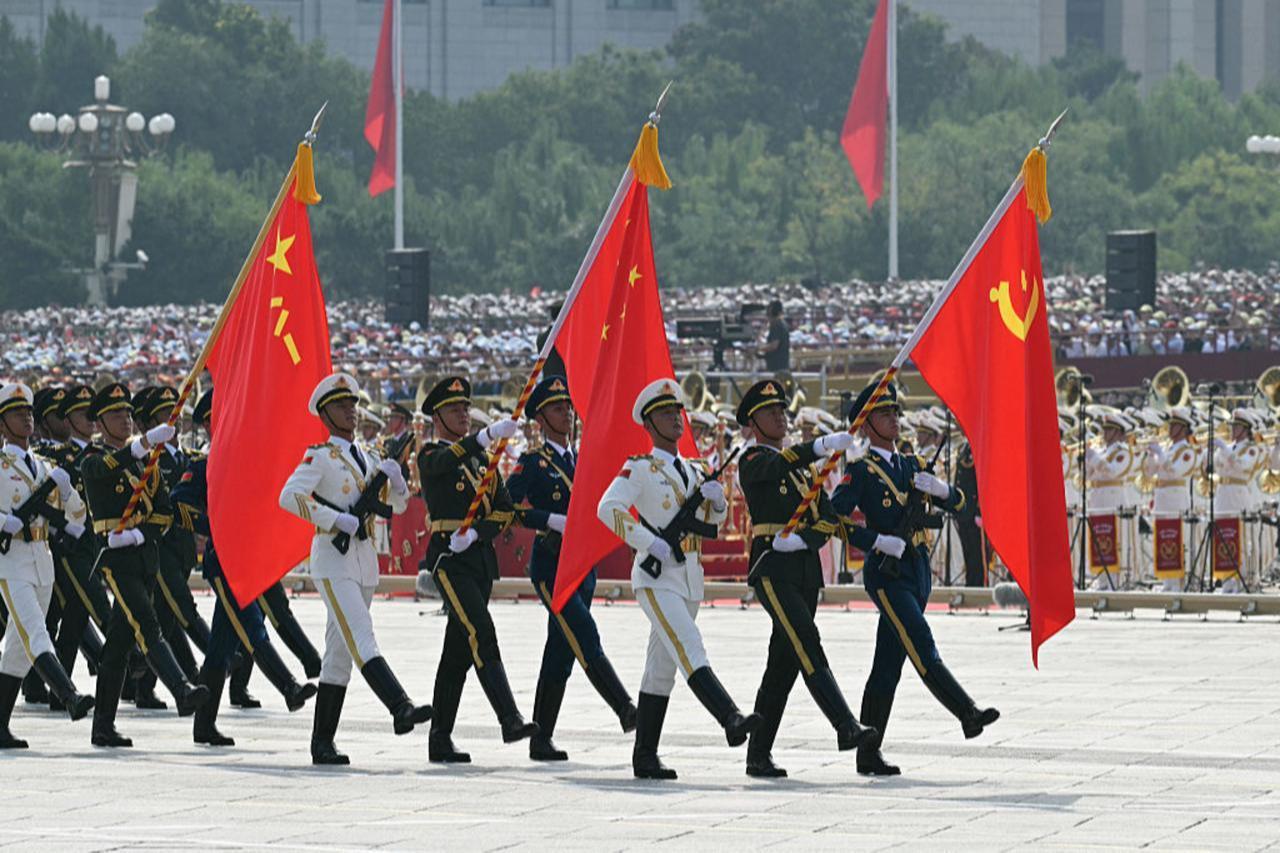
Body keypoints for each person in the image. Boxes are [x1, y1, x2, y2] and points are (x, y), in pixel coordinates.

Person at [597, 378, 760, 780]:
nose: (676, 419)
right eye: (666, 414)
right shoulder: (640, 467)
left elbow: (712, 522)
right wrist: (648, 542)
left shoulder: (694, 469)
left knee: (661, 669)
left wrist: (717, 499)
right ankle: (730, 717)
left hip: (688, 576)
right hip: (655, 579)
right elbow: (608, 508)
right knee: (690, 645)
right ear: (649, 424)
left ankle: (645, 756)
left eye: (677, 413)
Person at [832, 382, 997, 777]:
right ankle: (966, 711)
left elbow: (958, 503)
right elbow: (833, 518)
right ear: (867, 424)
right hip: (887, 573)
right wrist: (875, 540)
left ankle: (868, 752)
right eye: (885, 414)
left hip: (918, 568)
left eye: (895, 412)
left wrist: (941, 488)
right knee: (921, 642)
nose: (894, 418)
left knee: (887, 666)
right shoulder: (860, 471)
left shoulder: (911, 465)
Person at [279, 373, 432, 765]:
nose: (352, 409)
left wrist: (397, 482)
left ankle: (322, 743)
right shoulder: (320, 456)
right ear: (326, 413)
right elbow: (288, 496)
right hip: (332, 559)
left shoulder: (367, 455)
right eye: (343, 404)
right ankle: (400, 706)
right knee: (363, 636)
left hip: (362, 561)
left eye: (353, 403)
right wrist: (333, 518)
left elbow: (396, 508)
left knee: (338, 656)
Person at [733, 379, 876, 779]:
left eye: (782, 410)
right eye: (771, 412)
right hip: (772, 570)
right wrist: (817, 446)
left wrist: (802, 540)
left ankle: (758, 755)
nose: (780, 416)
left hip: (802, 568)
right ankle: (845, 725)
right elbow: (776, 466)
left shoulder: (807, 474)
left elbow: (828, 516)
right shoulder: (752, 459)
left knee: (783, 663)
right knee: (806, 641)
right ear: (753, 422)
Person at [173, 390, 318, 747]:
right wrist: (216, 526)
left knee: (222, 647)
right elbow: (178, 505)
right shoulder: (203, 466)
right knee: (250, 625)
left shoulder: (249, 462)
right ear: (209, 423)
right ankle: (289, 686)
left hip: (252, 558)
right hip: (226, 562)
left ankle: (204, 725)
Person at [507, 376, 636, 762]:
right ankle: (626, 708)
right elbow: (508, 508)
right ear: (541, 418)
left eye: (567, 408)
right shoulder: (532, 462)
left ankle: (540, 737)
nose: (566, 414)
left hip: (584, 566)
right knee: (583, 632)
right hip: (551, 566)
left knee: (560, 652)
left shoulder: (583, 459)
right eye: (558, 409)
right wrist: (550, 520)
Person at [81, 382, 209, 748]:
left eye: (126, 413)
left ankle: (103, 726)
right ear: (101, 422)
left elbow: (164, 510)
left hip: (142, 555)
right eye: (115, 414)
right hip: (114, 560)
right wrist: (141, 445)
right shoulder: (93, 456)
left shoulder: (146, 462)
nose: (123, 419)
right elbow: (100, 471)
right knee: (147, 623)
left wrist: (139, 535)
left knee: (119, 645)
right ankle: (181, 687)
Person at [416, 376, 536, 764]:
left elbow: (505, 510)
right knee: (481, 630)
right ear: (437, 416)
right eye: (455, 409)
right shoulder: (431, 454)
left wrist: (479, 532)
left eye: (466, 408)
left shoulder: (484, 462)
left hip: (479, 558)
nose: (464, 415)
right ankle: (509, 718)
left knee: (458, 651)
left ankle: (439, 736)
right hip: (449, 560)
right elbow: (441, 464)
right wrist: (483, 439)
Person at [0, 383, 96, 748]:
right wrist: (2, 522)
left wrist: (67, 489)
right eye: (15, 413)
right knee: (36, 633)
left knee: (17, 649)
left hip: (43, 560)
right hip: (10, 562)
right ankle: (69, 695)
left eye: (27, 412)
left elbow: (77, 515)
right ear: (1, 425)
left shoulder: (44, 467)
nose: (25, 417)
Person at [757, 300, 790, 375]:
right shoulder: (783, 324)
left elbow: (774, 346)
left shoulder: (777, 325)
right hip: (781, 366)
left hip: (777, 369)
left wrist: (759, 348)